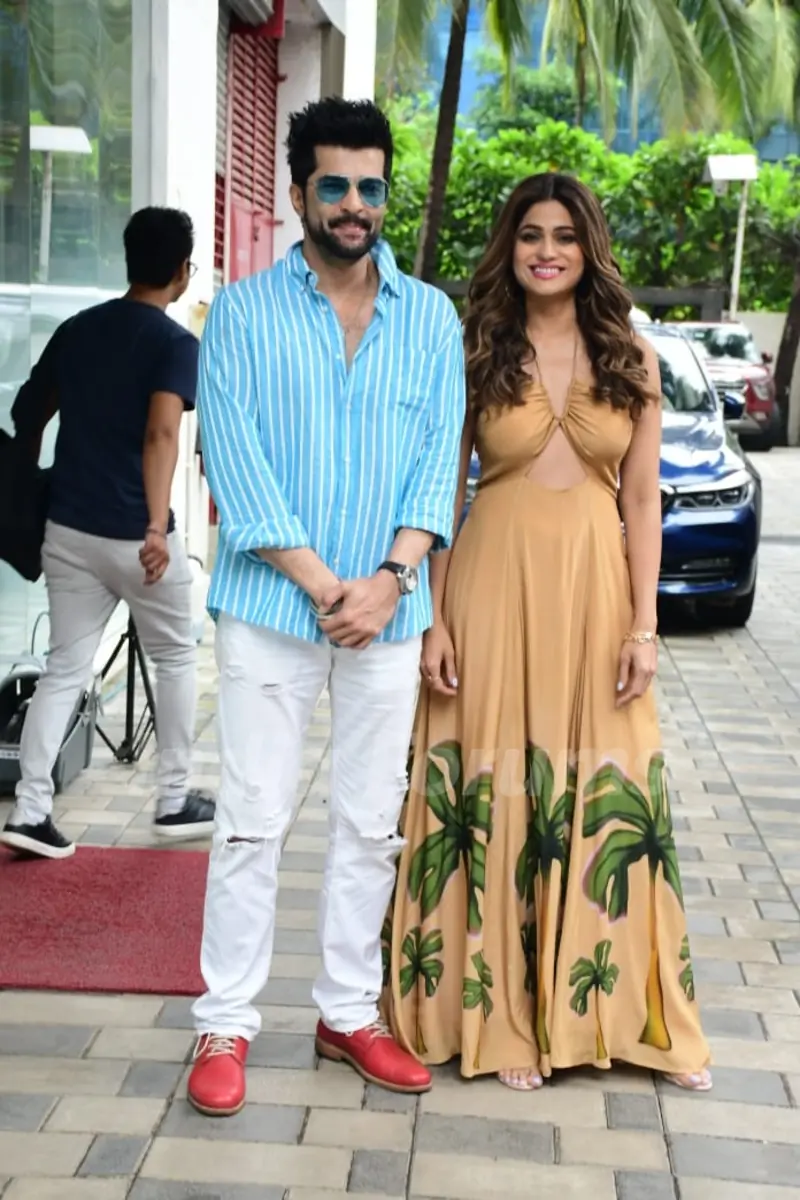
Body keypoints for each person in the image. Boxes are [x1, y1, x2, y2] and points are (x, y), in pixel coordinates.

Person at [384, 173, 713, 1095]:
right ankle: (501, 1016)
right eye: (529, 233)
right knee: (496, 777)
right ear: (510, 246)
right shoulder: (475, 347)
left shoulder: (631, 357)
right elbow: (439, 493)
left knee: (607, 788)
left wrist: (647, 627)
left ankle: (620, 1016)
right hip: (490, 585)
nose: (546, 250)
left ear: (588, 247)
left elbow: (643, 498)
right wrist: (434, 617)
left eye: (565, 235)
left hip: (595, 594)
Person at [187, 96, 465, 1117]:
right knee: (252, 821)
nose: (355, 205)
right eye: (335, 185)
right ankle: (225, 1020)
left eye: (370, 186)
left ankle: (348, 1011)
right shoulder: (245, 313)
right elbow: (237, 457)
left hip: (388, 612)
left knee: (368, 824)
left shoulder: (429, 317)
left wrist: (390, 579)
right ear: (298, 189)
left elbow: (441, 460)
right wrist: (320, 584)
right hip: (271, 607)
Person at [0, 206, 216, 860]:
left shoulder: (78, 331)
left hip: (67, 527)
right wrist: (156, 525)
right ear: (182, 272)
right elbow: (161, 432)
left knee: (66, 667)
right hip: (135, 536)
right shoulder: (176, 345)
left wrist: (30, 482)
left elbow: (25, 409)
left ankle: (32, 811)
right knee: (176, 655)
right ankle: (174, 798)